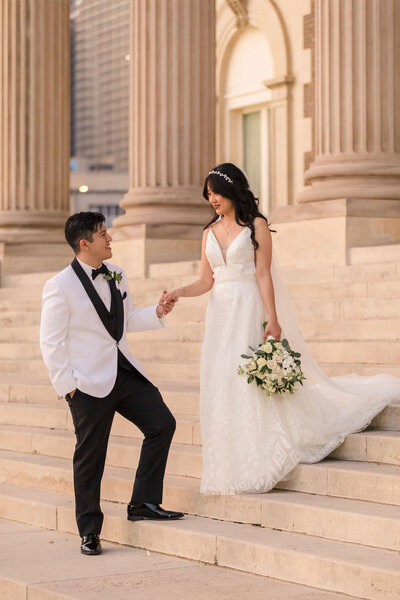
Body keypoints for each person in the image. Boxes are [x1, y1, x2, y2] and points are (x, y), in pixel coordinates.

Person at [164, 163, 400, 495]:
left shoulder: (256, 225)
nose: (212, 199)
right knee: (224, 381)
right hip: (221, 314)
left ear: (233, 190)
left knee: (250, 377)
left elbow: (263, 274)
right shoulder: (208, 232)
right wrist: (178, 292)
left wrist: (273, 319)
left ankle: (264, 448)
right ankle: (233, 459)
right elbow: (206, 280)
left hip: (249, 306)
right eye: (208, 194)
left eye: (216, 192)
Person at [40, 211, 183, 556]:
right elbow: (50, 342)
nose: (110, 238)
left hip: (124, 373)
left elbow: (127, 319)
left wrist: (159, 311)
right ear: (84, 243)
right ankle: (89, 531)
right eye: (104, 234)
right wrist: (69, 387)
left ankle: (143, 502)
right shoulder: (59, 286)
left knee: (162, 423)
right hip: (87, 383)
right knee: (90, 458)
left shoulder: (117, 274)